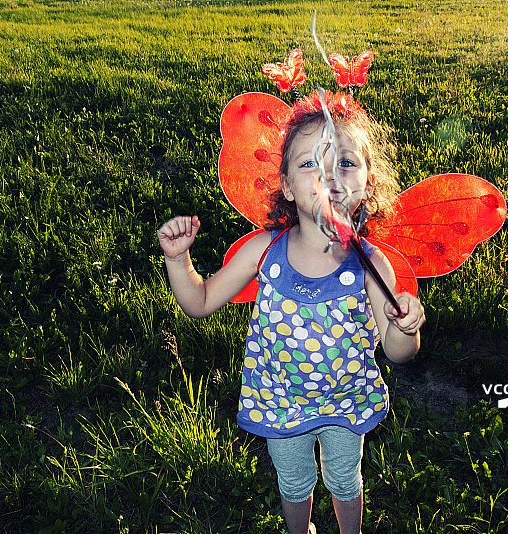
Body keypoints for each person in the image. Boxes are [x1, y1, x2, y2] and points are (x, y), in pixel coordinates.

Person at [158, 91, 425, 534]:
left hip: (345, 400)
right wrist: (177, 260)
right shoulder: (265, 251)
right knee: (295, 482)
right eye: (309, 165)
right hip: (281, 401)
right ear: (284, 184)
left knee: (343, 478)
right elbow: (199, 302)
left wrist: (404, 326)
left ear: (367, 181)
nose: (328, 178)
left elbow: (400, 354)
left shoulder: (371, 265)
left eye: (344, 162)